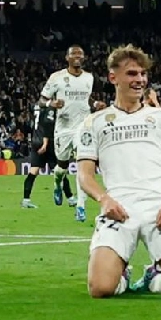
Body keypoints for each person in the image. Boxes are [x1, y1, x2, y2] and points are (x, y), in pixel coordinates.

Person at [76, 44, 161, 298]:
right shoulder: (94, 123)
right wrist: (104, 200)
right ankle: (120, 273)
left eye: (143, 74)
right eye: (132, 73)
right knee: (100, 288)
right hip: (119, 212)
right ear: (113, 77)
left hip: (160, 210)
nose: (140, 80)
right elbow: (85, 175)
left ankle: (156, 273)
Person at [38, 45, 106, 222]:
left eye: (80, 54)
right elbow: (41, 100)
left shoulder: (89, 78)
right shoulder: (57, 78)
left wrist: (96, 104)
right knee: (62, 165)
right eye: (74, 54)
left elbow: (87, 100)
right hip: (63, 128)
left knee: (82, 165)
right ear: (67, 58)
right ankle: (57, 182)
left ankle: (80, 207)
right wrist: (51, 104)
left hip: (83, 127)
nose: (77, 56)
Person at [21, 104, 58, 209]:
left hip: (35, 139)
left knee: (34, 171)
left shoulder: (37, 106)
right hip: (44, 141)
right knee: (57, 170)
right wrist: (46, 143)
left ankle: (26, 200)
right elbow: (47, 125)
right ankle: (69, 197)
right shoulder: (49, 108)